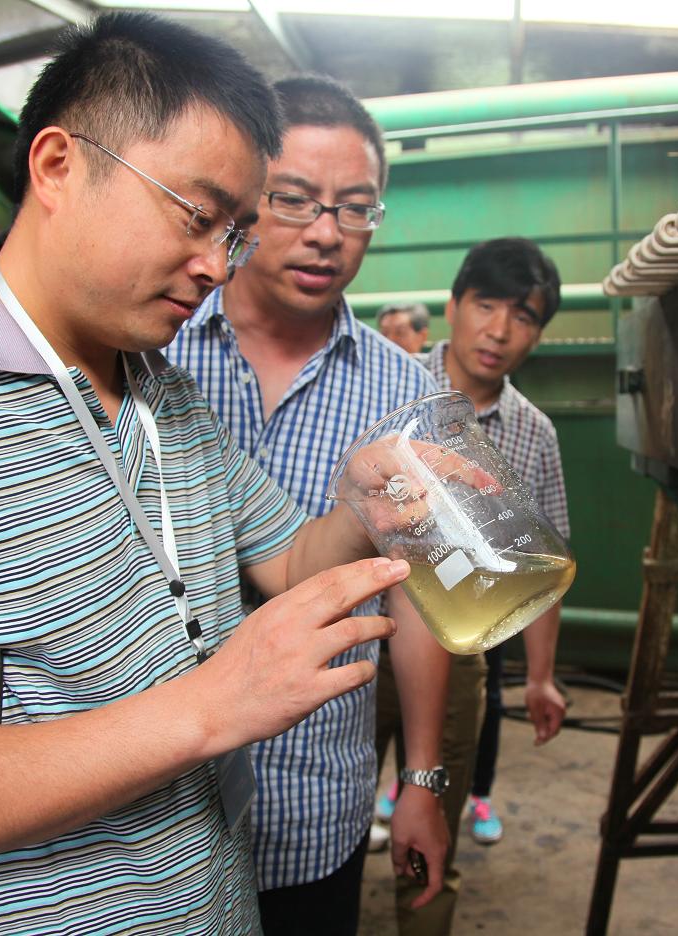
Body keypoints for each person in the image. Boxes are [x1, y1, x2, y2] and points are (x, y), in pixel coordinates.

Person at [0, 15, 415, 935]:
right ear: (57, 165)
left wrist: (364, 499)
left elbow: (293, 562)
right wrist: (213, 706)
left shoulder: (163, 392)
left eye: (234, 235)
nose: (215, 267)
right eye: (196, 216)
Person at [165, 75, 452, 935]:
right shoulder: (156, 352)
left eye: (355, 208)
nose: (327, 232)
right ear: (245, 197)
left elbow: (417, 594)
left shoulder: (404, 391)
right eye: (294, 199)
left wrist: (421, 780)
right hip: (154, 810)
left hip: (314, 795)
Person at [373, 237, 571, 934]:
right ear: (454, 306)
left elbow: (544, 565)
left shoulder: (534, 434)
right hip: (356, 640)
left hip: (456, 656)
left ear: (538, 334)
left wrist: (540, 678)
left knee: (432, 821)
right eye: (486, 305)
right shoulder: (388, 387)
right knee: (324, 817)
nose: (499, 330)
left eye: (523, 316)